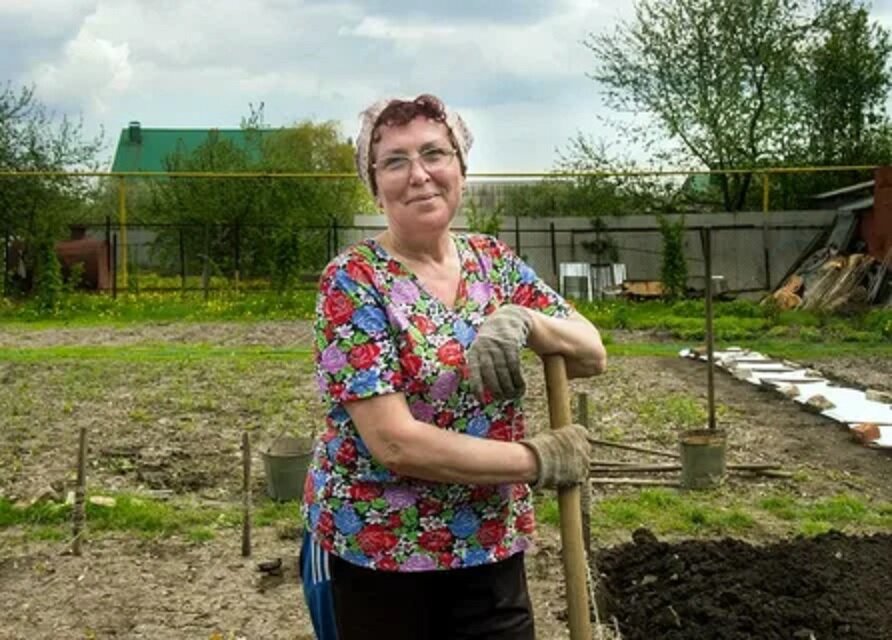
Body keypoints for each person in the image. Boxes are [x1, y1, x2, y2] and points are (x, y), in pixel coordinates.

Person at [300, 93, 607, 640]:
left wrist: (525, 322)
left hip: (488, 546)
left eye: (434, 154)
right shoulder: (352, 280)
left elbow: (590, 350)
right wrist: (535, 459)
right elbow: (395, 443)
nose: (418, 175)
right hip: (382, 556)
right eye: (395, 161)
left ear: (461, 167)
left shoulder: (495, 264)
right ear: (375, 184)